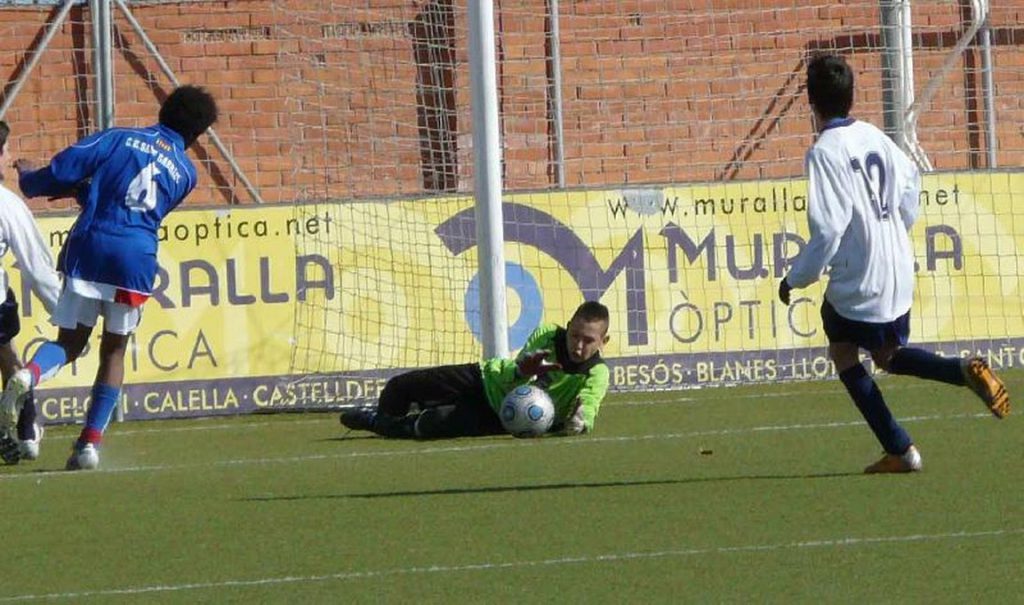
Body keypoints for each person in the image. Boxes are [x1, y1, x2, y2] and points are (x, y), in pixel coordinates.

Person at [779, 53, 1009, 474]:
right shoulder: (874, 135)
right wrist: (894, 228)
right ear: (852, 96)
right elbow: (911, 182)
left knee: (843, 349)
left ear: (810, 102)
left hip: (861, 277)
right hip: (898, 266)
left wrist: (795, 278)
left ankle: (901, 449)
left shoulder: (823, 152)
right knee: (887, 354)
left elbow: (828, 230)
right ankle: (960, 371)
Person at [0, 85, 218, 471]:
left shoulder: (118, 138)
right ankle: (89, 445)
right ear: (198, 134)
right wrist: (88, 192)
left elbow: (66, 169)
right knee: (114, 350)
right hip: (135, 258)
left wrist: (30, 178)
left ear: (163, 110)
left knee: (69, 343)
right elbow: (139, 208)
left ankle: (29, 375)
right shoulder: (187, 174)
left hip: (91, 246)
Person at [341, 301, 611, 439]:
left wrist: (581, 420)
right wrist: (522, 371)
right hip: (485, 379)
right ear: (568, 326)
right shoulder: (548, 334)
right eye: (574, 335)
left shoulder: (597, 372)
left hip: (501, 416)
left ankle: (375, 423)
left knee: (429, 424)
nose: (578, 345)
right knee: (399, 387)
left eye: (588, 340)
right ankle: (382, 416)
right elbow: (515, 374)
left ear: (603, 342)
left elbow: (590, 402)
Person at [0, 121, 62, 464]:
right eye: (5, 150)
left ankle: (24, 430)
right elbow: (36, 267)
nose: (9, 157)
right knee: (8, 355)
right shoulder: (7, 204)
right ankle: (27, 433)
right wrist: (62, 310)